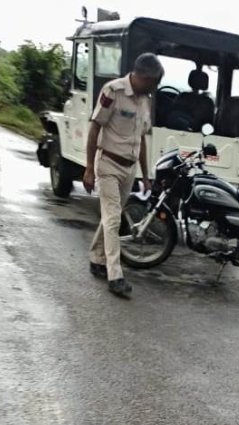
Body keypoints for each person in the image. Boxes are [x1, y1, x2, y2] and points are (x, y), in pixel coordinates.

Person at [83, 53, 164, 298]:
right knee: (114, 218)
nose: (155, 87)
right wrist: (88, 168)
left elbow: (141, 139)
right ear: (142, 76)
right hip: (107, 163)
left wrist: (146, 174)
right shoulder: (113, 91)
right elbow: (95, 126)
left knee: (111, 215)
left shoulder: (145, 101)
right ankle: (114, 274)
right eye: (153, 82)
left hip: (129, 168)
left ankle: (97, 258)